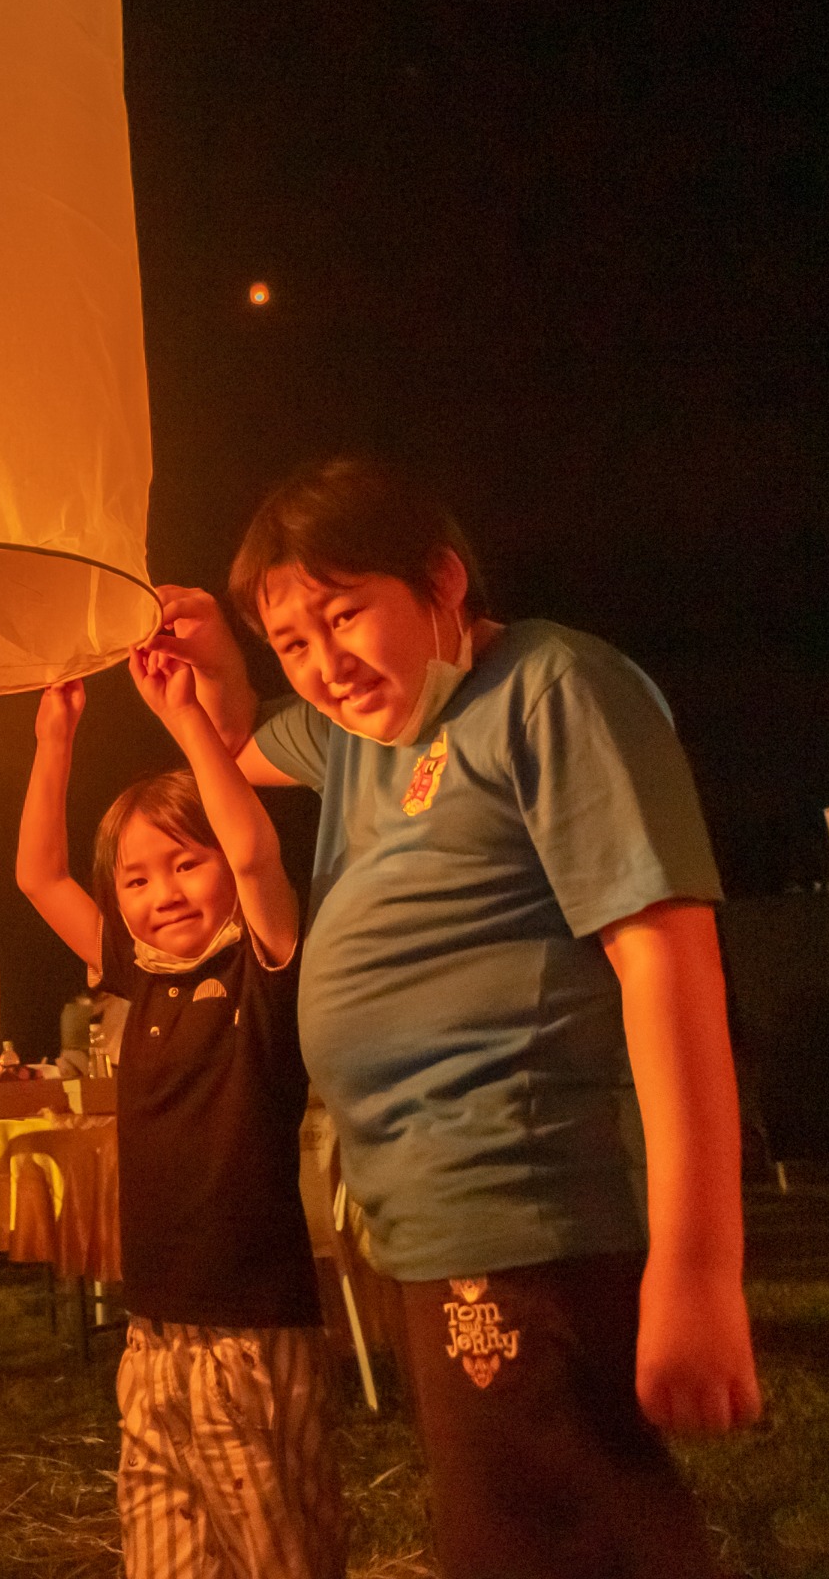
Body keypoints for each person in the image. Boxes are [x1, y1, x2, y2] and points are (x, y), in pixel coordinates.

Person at [154, 457, 762, 1579]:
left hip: (532, 1210)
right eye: (296, 642)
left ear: (440, 580)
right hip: (448, 1221)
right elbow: (243, 747)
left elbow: (666, 963)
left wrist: (698, 1265)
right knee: (552, 1530)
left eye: (346, 615)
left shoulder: (551, 688)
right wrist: (216, 672)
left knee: (545, 1543)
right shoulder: (365, 732)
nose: (327, 668)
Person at [16, 668, 343, 1579]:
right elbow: (37, 874)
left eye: (184, 861)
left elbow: (255, 855)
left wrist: (188, 717)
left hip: (253, 1335)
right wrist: (54, 742)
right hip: (153, 1332)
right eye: (136, 876)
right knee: (162, 1551)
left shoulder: (265, 967)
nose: (162, 890)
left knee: (279, 1554)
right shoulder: (142, 978)